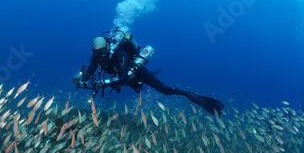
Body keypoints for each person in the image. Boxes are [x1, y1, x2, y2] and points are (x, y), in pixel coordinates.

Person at [72, 29, 224, 116]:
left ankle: (192, 96)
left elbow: (124, 79)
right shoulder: (97, 55)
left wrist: (102, 82)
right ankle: (138, 85)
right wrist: (80, 79)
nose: (100, 55)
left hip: (135, 71)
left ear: (107, 47)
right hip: (122, 75)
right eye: (97, 53)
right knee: (137, 89)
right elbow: (90, 71)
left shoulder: (120, 54)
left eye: (102, 52)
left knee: (164, 90)